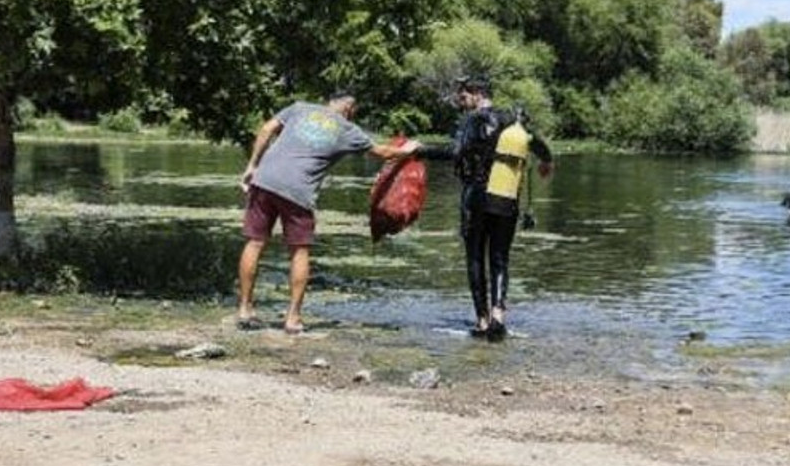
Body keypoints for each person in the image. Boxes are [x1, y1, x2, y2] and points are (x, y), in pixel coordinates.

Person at [236, 92, 420, 335]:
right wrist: (410, 148)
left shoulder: (300, 108)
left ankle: (245, 310)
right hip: (298, 190)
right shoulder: (347, 130)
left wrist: (252, 165)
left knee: (255, 243)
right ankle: (292, 319)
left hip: (264, 180)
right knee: (299, 250)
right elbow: (384, 153)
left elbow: (267, 128)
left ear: (329, 102)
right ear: (349, 108)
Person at [418, 76, 553, 342]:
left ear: (478, 94)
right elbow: (536, 143)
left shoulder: (472, 120)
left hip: (476, 197)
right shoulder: (510, 119)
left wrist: (419, 150)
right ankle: (498, 315)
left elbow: (455, 153)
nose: (460, 99)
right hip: (506, 197)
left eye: (464, 94)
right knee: (500, 257)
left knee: (476, 258)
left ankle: (482, 321)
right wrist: (547, 161)